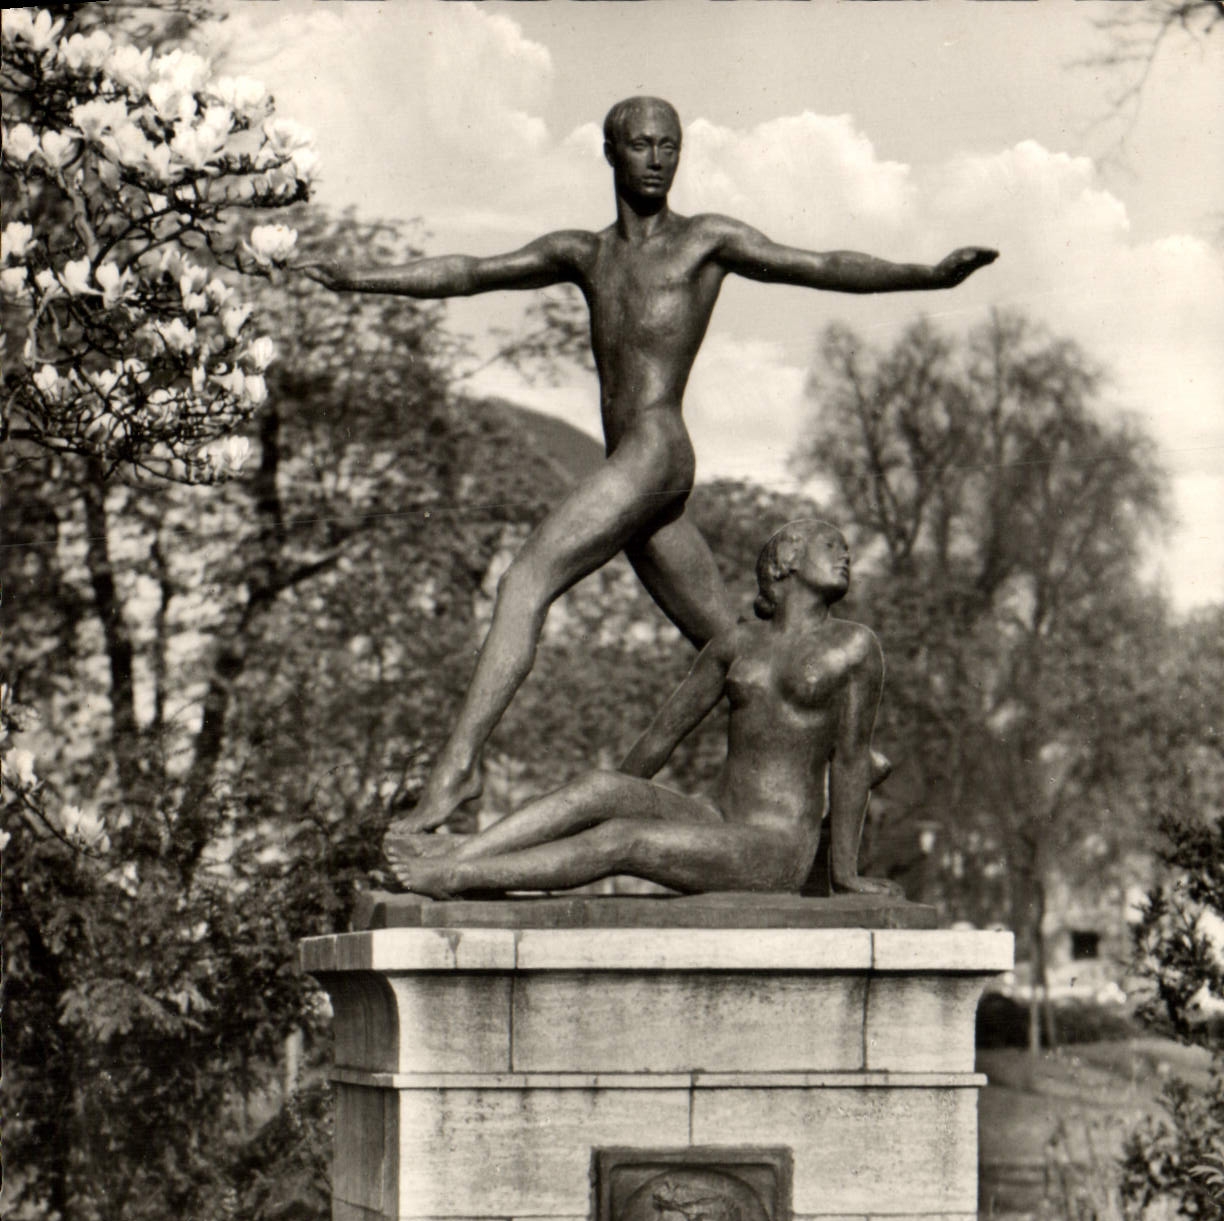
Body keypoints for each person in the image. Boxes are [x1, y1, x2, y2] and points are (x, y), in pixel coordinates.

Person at [299, 96, 996, 831]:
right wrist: (361, 280)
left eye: (671, 144)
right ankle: (861, 758)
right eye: (642, 144)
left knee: (524, 579)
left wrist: (928, 275)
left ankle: (458, 771)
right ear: (611, 152)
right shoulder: (586, 254)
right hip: (633, 470)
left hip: (658, 450)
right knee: (733, 646)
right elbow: (473, 271)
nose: (659, 157)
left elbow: (818, 264)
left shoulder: (706, 242)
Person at [386, 517, 899, 898]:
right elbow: (661, 736)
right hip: (715, 820)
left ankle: (454, 876)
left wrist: (844, 874)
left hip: (776, 847)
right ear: (786, 560)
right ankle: (461, 857)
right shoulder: (736, 645)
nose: (845, 556)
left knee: (624, 842)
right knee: (599, 787)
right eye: (832, 545)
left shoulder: (854, 646)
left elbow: (852, 760)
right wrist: (621, 793)